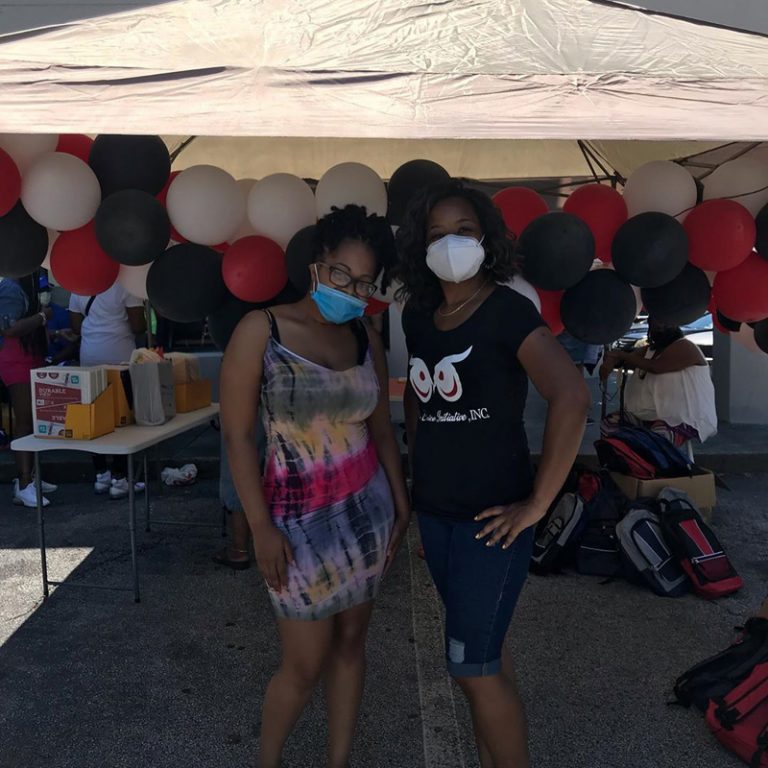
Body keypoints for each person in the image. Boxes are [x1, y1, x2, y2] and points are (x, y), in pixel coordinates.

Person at [396, 181, 590, 768]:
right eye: (436, 234)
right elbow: (417, 394)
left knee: (472, 668)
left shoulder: (507, 311)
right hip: (437, 514)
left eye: (463, 231)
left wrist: (538, 504)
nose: (450, 243)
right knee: (483, 659)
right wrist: (419, 471)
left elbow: (570, 396)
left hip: (491, 521)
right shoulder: (419, 313)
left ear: (487, 239)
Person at [220, 204, 411, 768]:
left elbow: (381, 429)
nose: (350, 290)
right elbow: (237, 436)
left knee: (351, 647)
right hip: (293, 526)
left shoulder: (365, 337)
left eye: (364, 283)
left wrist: (402, 505)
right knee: (302, 667)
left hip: (368, 517)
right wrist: (260, 529)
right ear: (316, 265)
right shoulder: (262, 330)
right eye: (341, 274)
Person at [69, 281, 146, 499]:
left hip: (89, 356)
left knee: (95, 419)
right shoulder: (126, 285)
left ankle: (101, 474)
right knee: (122, 417)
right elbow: (138, 326)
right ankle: (120, 478)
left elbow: (75, 326)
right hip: (119, 356)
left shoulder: (78, 284)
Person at [599, 318, 717, 446]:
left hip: (683, 419)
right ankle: (625, 457)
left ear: (675, 326)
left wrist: (621, 355)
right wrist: (611, 360)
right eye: (656, 323)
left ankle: (645, 458)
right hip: (647, 415)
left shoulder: (686, 346)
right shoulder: (649, 350)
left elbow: (656, 367)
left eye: (665, 323)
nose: (660, 326)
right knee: (610, 424)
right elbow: (627, 360)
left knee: (657, 437)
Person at [0, 273, 58, 507]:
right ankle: (24, 483)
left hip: (30, 356)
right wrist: (42, 317)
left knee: (34, 421)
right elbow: (9, 329)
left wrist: (53, 332)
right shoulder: (11, 288)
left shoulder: (28, 285)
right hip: (16, 361)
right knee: (25, 421)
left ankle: (30, 477)